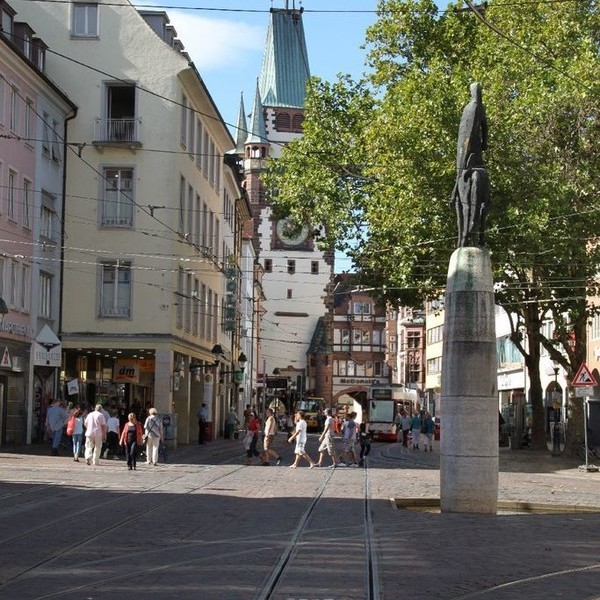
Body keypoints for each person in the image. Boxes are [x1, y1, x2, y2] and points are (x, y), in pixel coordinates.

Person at [451, 81, 490, 247]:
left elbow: (483, 127)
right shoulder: (474, 108)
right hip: (468, 158)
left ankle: (468, 235)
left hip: (471, 157)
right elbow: (467, 136)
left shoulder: (476, 108)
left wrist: (484, 143)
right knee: (468, 204)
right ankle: (467, 235)